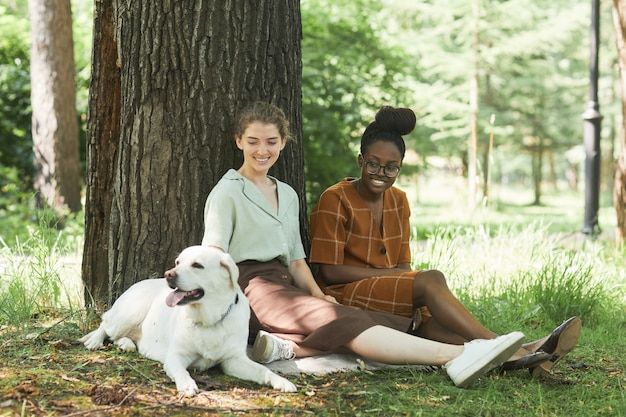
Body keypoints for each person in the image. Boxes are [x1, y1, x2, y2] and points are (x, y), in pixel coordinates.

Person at [201, 101, 526, 388]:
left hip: (286, 283)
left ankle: (504, 356)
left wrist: (318, 296)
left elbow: (298, 262)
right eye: (253, 141)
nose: (262, 150)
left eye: (271, 141)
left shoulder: (286, 194)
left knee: (364, 318)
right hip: (250, 286)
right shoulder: (228, 191)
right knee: (345, 319)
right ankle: (462, 355)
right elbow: (213, 255)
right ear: (239, 141)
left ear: (283, 142)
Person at [308, 105, 581, 376]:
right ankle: (507, 345)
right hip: (344, 292)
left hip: (384, 290)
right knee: (431, 279)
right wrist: (401, 279)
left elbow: (403, 263)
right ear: (360, 161)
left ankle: (521, 357)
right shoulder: (336, 198)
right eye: (373, 164)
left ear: (400, 167)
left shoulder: (399, 200)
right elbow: (330, 271)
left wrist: (405, 289)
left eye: (391, 168)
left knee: (435, 327)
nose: (381, 173)